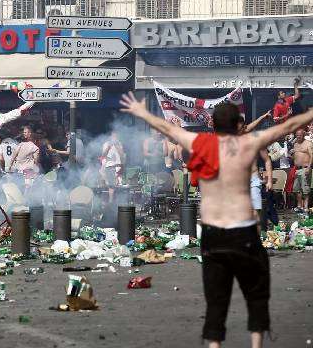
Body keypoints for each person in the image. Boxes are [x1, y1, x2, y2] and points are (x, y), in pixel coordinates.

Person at [120, 91, 313, 348]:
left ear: (213, 125)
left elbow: (167, 127)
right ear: (237, 126)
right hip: (244, 233)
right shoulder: (248, 143)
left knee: (216, 300)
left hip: (212, 234)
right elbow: (287, 126)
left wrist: (142, 112)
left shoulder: (199, 142)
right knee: (256, 295)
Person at [290, 128, 312, 212]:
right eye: (297, 135)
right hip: (297, 169)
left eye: (300, 135)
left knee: (305, 190)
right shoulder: (295, 144)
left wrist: (309, 167)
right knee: (296, 189)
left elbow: (311, 155)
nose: (298, 136)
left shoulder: (308, 143)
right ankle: (299, 206)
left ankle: (305, 207)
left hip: (305, 168)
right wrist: (291, 156)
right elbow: (295, 157)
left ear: (303, 135)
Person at [100, 130, 125, 203]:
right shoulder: (106, 144)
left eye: (116, 136)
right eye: (113, 136)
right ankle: (111, 202)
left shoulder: (119, 144)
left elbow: (122, 155)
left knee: (119, 184)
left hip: (119, 166)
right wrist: (109, 147)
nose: (115, 138)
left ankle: (118, 202)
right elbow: (103, 155)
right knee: (111, 185)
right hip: (110, 166)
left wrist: (117, 146)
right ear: (110, 137)